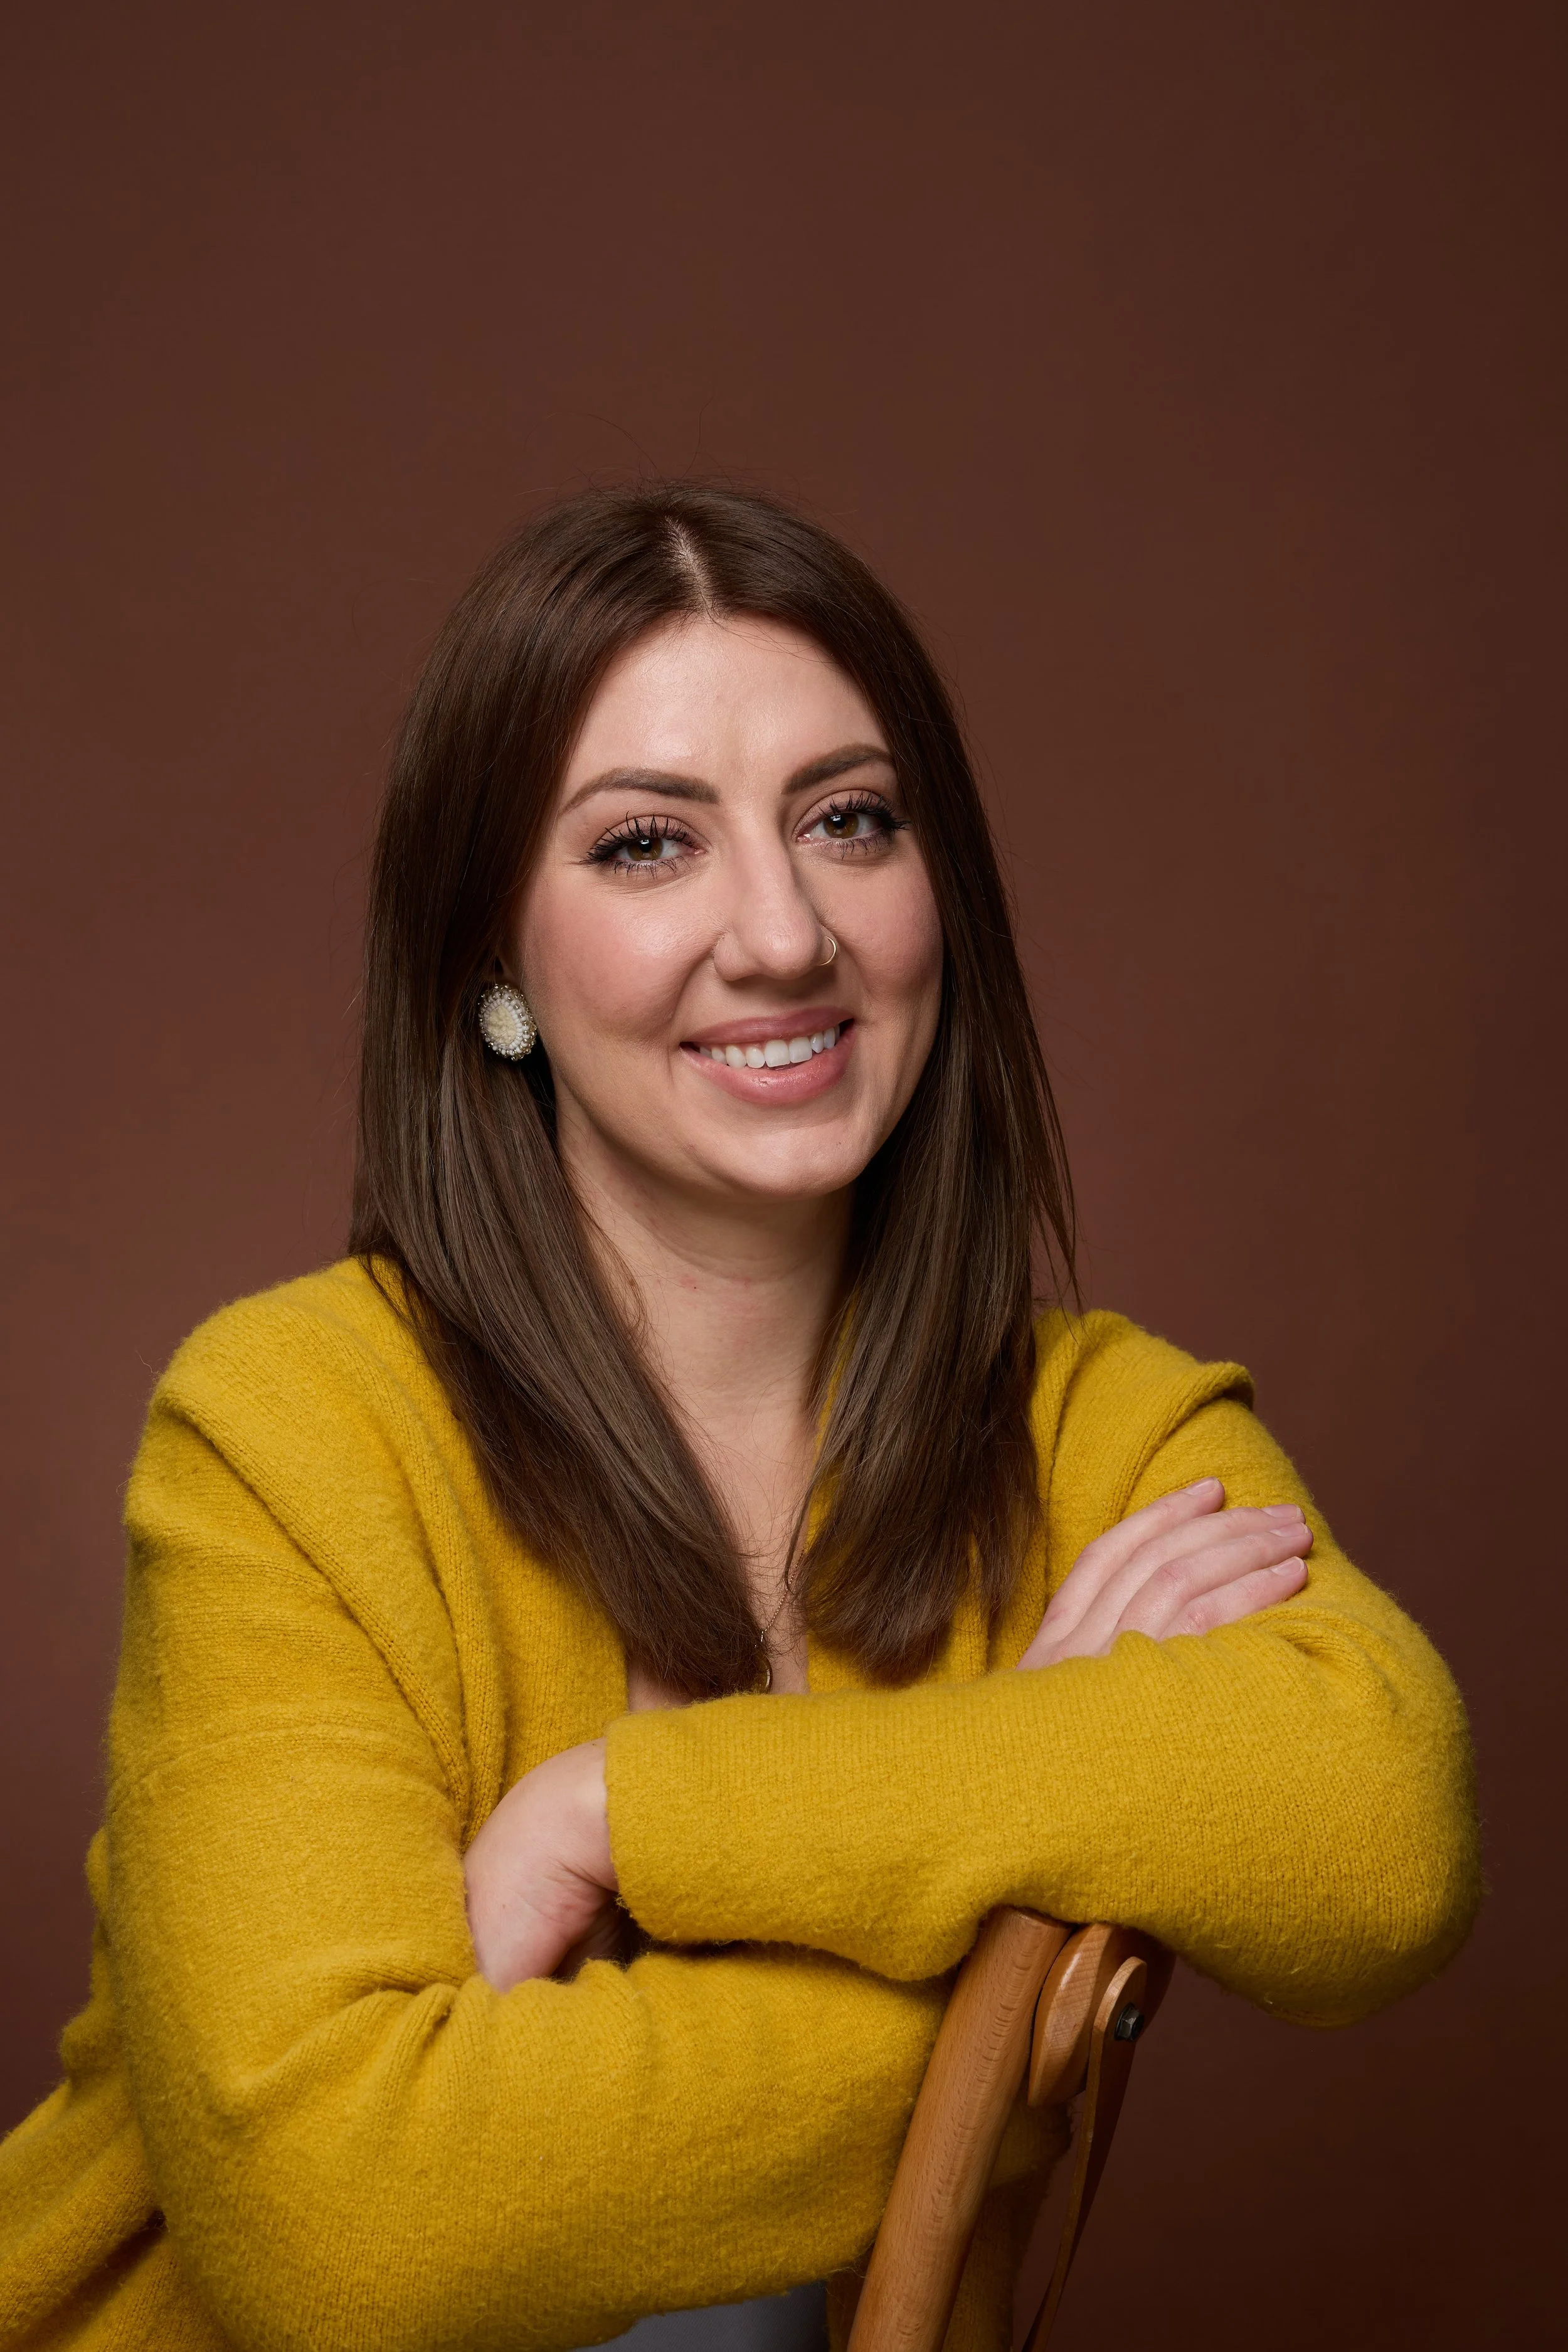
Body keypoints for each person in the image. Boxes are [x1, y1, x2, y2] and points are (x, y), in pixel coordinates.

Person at [0, 486, 1478, 2352]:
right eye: (645, 846)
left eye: (848, 821)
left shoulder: (1093, 1427)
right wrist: (1014, 1881)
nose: (782, 934)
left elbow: (1384, 1827)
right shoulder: (292, 1428)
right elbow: (353, 2226)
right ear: (494, 963)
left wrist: (629, 1809)